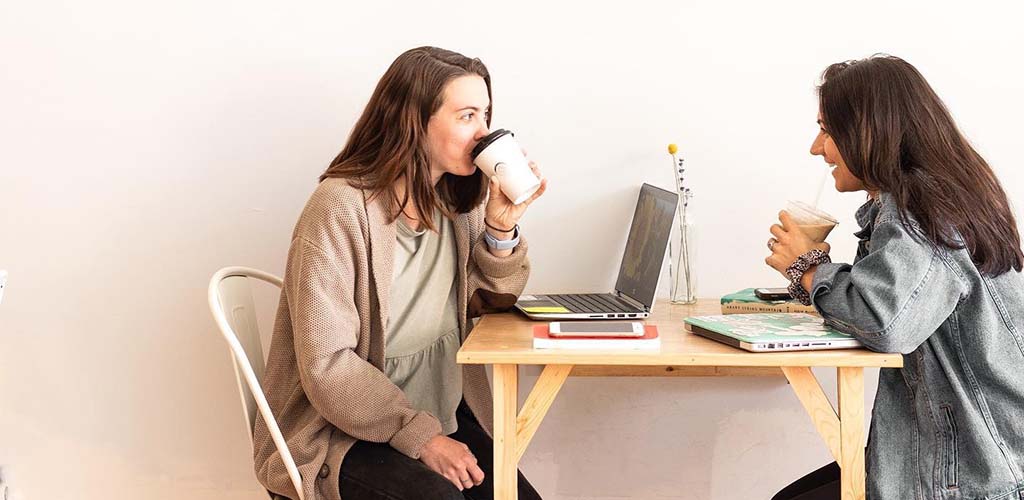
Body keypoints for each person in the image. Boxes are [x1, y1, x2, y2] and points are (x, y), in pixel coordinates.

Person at [252, 46, 547, 500]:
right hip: (339, 431)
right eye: (467, 116)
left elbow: (488, 306)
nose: (484, 134)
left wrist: (500, 226)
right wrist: (421, 437)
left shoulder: (456, 206)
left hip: (442, 409)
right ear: (415, 121)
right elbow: (328, 366)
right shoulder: (339, 209)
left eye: (485, 115)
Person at [766, 55, 1024, 499]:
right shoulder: (932, 198)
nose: (816, 147)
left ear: (868, 132)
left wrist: (806, 269)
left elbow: (885, 322)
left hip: (973, 474)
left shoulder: (921, 214)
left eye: (827, 130)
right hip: (964, 455)